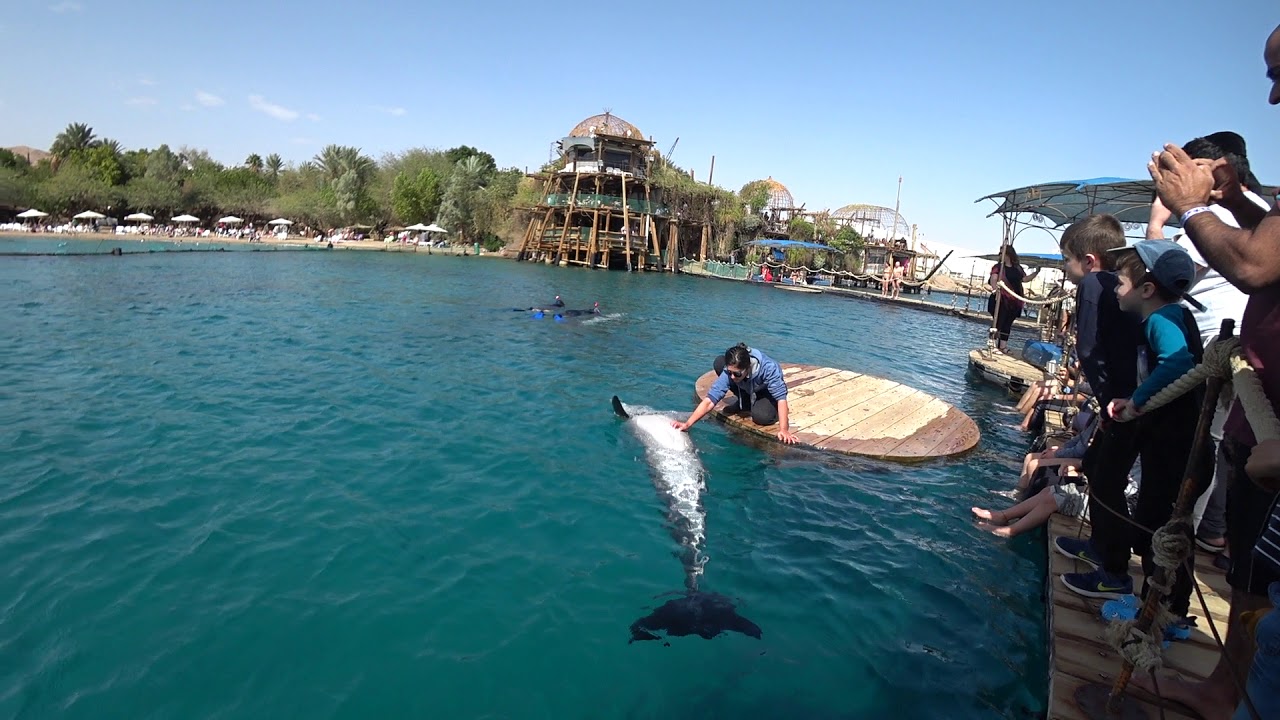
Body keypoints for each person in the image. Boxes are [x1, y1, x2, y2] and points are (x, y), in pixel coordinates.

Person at [1139, 24, 1280, 719]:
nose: (1274, 93)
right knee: (1252, 577)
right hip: (1261, 425)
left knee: (1268, 589)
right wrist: (1227, 198)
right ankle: (1227, 689)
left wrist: (1195, 205)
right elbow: (1262, 234)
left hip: (1271, 429)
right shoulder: (1264, 206)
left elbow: (1254, 263)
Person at [1148, 131, 1267, 556]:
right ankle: (1211, 528)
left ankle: (1180, 536)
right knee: (1224, 448)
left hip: (1217, 355)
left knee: (1204, 449)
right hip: (1230, 357)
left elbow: (1166, 274)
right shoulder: (1254, 210)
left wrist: (1166, 218)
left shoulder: (1215, 217)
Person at [1050, 215, 1143, 598]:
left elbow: (1088, 348)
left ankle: (1115, 573)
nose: (1065, 268)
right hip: (1128, 397)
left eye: (1066, 260)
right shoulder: (1114, 286)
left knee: (1107, 478)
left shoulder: (1091, 284)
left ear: (1088, 261)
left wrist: (1106, 405)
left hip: (1121, 405)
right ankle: (1101, 547)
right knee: (1094, 467)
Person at [673, 343, 798, 444]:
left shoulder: (769, 368)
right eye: (729, 372)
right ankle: (744, 402)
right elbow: (710, 400)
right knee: (719, 362)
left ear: (747, 367)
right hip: (746, 385)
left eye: (737, 373)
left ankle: (758, 405)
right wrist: (688, 424)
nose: (732, 376)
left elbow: (781, 398)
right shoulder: (731, 372)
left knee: (762, 417)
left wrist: (784, 430)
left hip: (764, 391)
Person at [988, 246, 1040, 352]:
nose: (999, 255)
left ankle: (1002, 346)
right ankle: (992, 345)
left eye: (1001, 252)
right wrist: (995, 290)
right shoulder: (998, 267)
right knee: (998, 322)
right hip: (1001, 298)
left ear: (1008, 254)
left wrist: (1036, 272)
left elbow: (1024, 279)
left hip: (1014, 300)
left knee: (1008, 323)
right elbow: (994, 278)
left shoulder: (1017, 268)